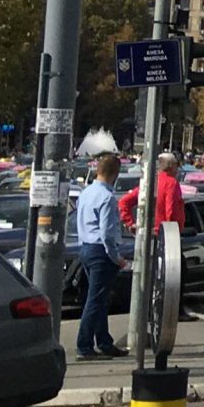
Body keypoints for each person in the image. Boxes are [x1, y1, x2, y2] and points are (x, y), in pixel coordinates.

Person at [74, 152, 131, 360]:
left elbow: (80, 221)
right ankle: (84, 345)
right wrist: (116, 257)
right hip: (101, 251)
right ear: (115, 174)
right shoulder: (107, 197)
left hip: (86, 248)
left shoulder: (86, 192)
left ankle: (104, 342)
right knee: (96, 300)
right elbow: (107, 233)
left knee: (98, 299)